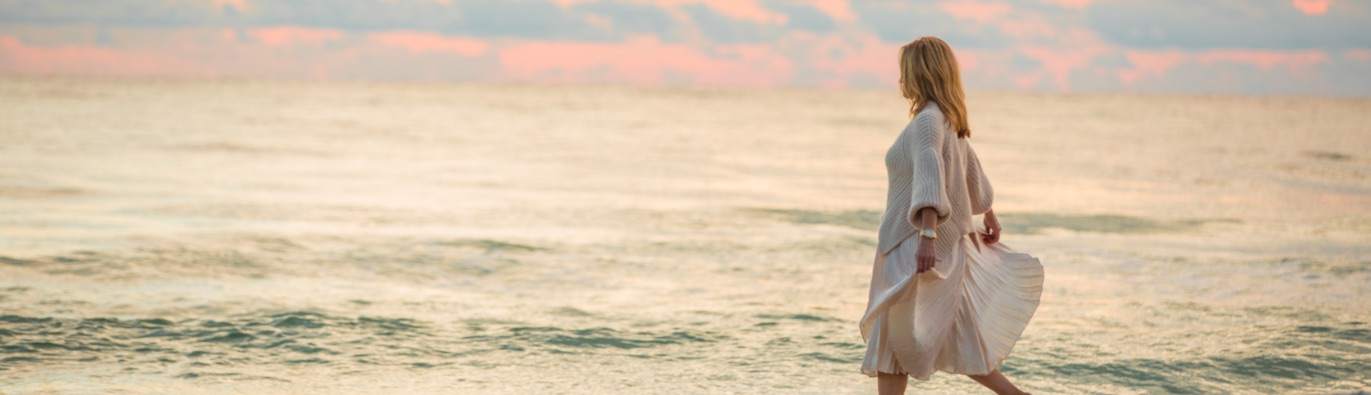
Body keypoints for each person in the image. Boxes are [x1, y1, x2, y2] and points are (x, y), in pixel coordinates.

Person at [859, 36, 1045, 395]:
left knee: (894, 339)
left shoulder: (928, 121)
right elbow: (967, 168)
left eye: (904, 72)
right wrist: (988, 210)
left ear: (920, 74)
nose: (900, 81)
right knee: (948, 331)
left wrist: (927, 237)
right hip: (934, 242)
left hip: (913, 242)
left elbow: (932, 178)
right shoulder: (947, 119)